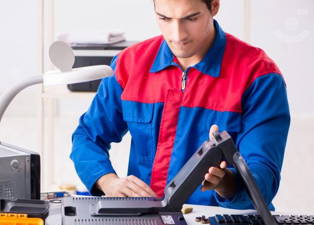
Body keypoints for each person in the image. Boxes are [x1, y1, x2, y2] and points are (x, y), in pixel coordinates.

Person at [70, 0, 290, 209]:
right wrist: (107, 181)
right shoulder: (129, 65)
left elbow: (264, 176)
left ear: (214, 6)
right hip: (146, 222)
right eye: (164, 18)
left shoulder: (259, 76)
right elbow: (87, 136)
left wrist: (228, 184)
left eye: (191, 18)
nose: (177, 35)